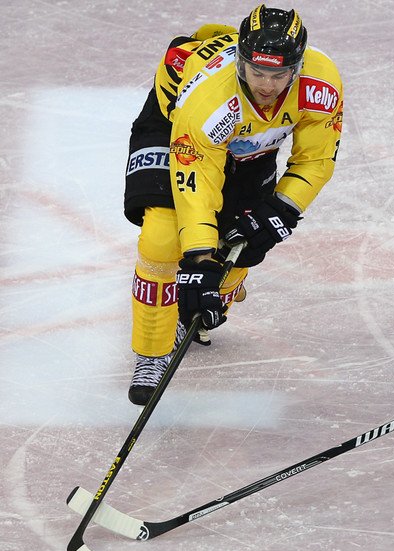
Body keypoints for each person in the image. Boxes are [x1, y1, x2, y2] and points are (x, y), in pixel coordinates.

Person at [125, 4, 344, 405]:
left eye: (279, 74)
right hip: (177, 126)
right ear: (241, 62)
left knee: (244, 238)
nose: (267, 85)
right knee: (162, 238)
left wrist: (283, 208)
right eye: (257, 72)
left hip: (250, 142)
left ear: (297, 68)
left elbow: (316, 158)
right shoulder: (210, 100)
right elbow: (197, 188)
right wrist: (198, 258)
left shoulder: (321, 84)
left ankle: (220, 292)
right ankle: (152, 353)